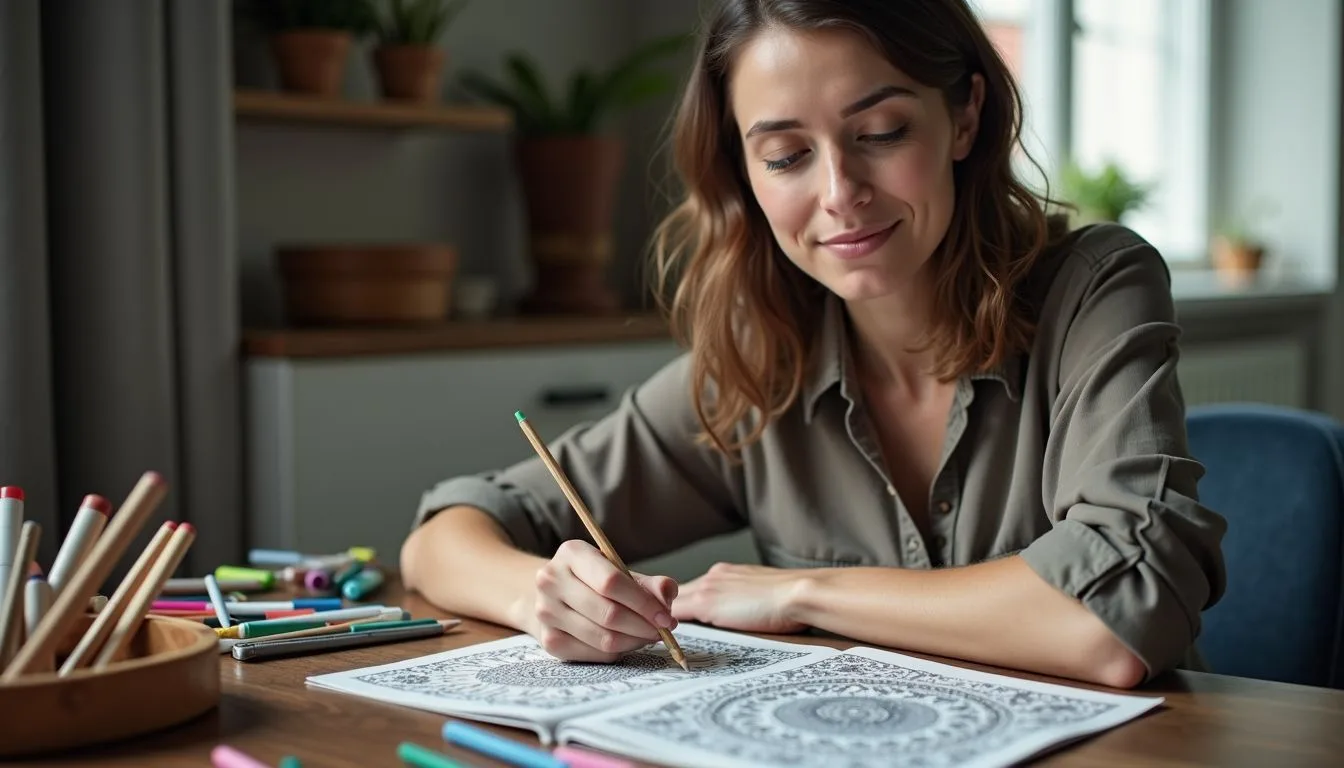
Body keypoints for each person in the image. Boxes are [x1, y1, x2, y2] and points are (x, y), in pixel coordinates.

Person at [400, 0, 1227, 690]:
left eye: (883, 132)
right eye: (787, 155)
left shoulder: (1096, 287)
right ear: (745, 173)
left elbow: (1121, 614)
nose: (840, 195)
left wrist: (804, 592)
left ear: (965, 115)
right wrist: (545, 596)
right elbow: (446, 533)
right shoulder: (757, 364)